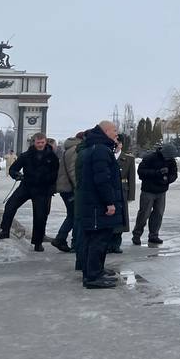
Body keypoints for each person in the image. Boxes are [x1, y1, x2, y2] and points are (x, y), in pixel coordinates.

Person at [74, 121, 125, 289]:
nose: (117, 133)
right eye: (114, 130)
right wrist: (109, 202)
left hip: (94, 203)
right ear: (105, 131)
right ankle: (92, 277)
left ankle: (95, 271)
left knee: (97, 239)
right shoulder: (101, 150)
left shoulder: (97, 147)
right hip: (98, 205)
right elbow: (102, 179)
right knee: (98, 240)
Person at [0, 133, 58, 250]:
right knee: (10, 205)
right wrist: (17, 175)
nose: (40, 145)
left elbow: (56, 174)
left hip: (42, 189)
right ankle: (5, 230)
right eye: (38, 142)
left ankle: (38, 242)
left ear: (45, 142)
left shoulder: (52, 157)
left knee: (40, 215)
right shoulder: (26, 155)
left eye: (42, 142)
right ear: (33, 142)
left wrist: (50, 185)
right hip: (26, 186)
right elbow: (13, 169)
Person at [133, 142, 177, 245]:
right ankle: (137, 234)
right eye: (167, 157)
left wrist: (168, 180)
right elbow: (141, 172)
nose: (168, 159)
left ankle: (154, 235)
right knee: (144, 214)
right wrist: (157, 173)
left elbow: (174, 174)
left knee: (158, 214)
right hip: (148, 191)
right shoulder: (150, 158)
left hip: (162, 191)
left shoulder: (171, 160)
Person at [51, 132, 84, 254]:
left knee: (72, 215)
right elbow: (72, 170)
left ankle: (61, 238)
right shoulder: (76, 150)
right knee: (75, 215)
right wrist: (78, 188)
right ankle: (64, 239)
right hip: (70, 188)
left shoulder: (69, 149)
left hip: (65, 187)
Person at [112, 133, 135, 253]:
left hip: (122, 189)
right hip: (110, 189)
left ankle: (116, 244)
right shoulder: (108, 156)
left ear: (121, 145)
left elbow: (131, 177)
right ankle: (107, 242)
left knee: (121, 218)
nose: (116, 146)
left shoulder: (128, 158)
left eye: (118, 143)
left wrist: (131, 195)